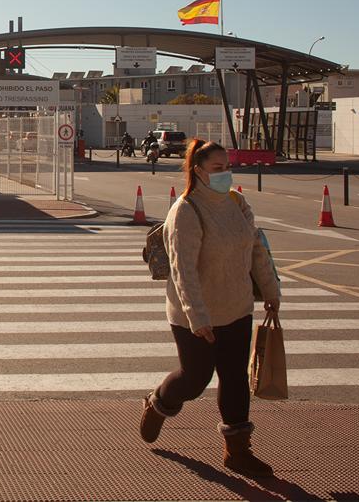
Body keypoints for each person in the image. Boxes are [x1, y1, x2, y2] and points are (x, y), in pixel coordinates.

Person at [138, 138, 281, 478]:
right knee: (195, 379)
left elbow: (256, 248)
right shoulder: (186, 210)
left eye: (227, 167)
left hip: (237, 306)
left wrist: (271, 290)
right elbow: (183, 270)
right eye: (218, 168)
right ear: (198, 171)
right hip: (194, 314)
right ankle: (159, 403)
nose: (225, 174)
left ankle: (237, 451)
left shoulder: (237, 202)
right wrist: (197, 316)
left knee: (234, 377)